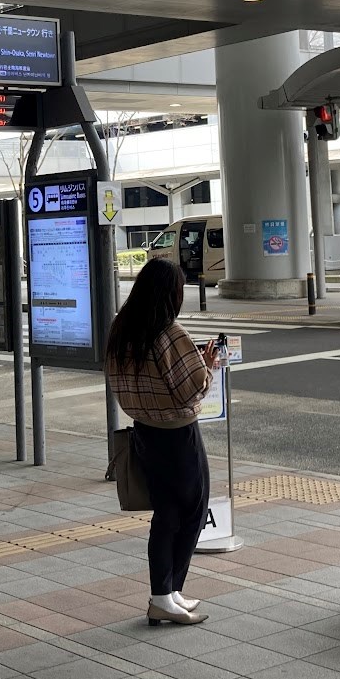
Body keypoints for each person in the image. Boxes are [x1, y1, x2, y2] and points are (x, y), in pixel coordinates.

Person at [106, 258, 222, 626]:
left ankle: (168, 592)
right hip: (177, 434)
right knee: (189, 509)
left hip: (144, 430)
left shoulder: (121, 328)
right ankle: (164, 594)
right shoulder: (168, 333)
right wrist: (207, 368)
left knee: (167, 512)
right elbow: (190, 387)